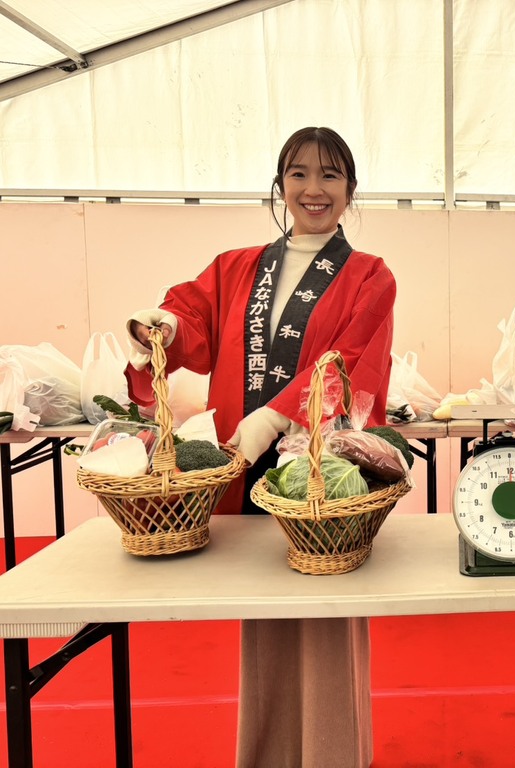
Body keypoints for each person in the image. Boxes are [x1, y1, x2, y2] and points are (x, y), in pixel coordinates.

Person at [124, 126, 395, 768]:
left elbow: (352, 360)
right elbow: (191, 320)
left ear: (351, 189)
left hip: (319, 471)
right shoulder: (237, 267)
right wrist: (163, 325)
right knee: (265, 617)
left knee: (326, 618)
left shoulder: (369, 276)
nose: (313, 189)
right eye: (299, 173)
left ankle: (334, 756)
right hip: (243, 467)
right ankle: (268, 754)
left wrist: (272, 419)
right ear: (280, 185)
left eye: (330, 174)